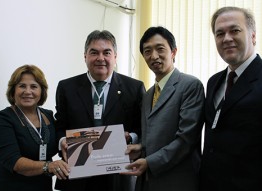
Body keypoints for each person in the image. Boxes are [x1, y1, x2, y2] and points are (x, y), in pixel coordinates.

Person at [54, 30, 146, 191]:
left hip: (118, 177)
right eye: (94, 52)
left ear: (115, 57)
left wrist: (131, 137)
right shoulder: (66, 87)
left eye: (107, 53)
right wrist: (63, 141)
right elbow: (59, 125)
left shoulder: (134, 88)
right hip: (77, 176)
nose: (100, 58)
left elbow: (144, 127)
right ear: (85, 56)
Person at [123, 26, 205, 191]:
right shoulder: (148, 94)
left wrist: (149, 162)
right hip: (147, 182)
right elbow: (153, 137)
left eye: (160, 49)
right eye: (147, 51)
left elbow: (186, 139)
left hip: (177, 181)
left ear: (173, 52)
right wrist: (141, 148)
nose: (154, 56)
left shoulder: (190, 85)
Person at [199, 6, 262, 191]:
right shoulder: (213, 82)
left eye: (235, 30)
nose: (226, 38)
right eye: (219, 34)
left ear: (253, 36)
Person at [0, 65, 69, 191]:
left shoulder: (47, 115)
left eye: (34, 86)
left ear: (41, 91)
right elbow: (15, 162)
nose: (28, 91)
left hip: (43, 187)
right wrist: (48, 166)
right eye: (22, 86)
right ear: (13, 90)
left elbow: (59, 141)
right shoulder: (1, 119)